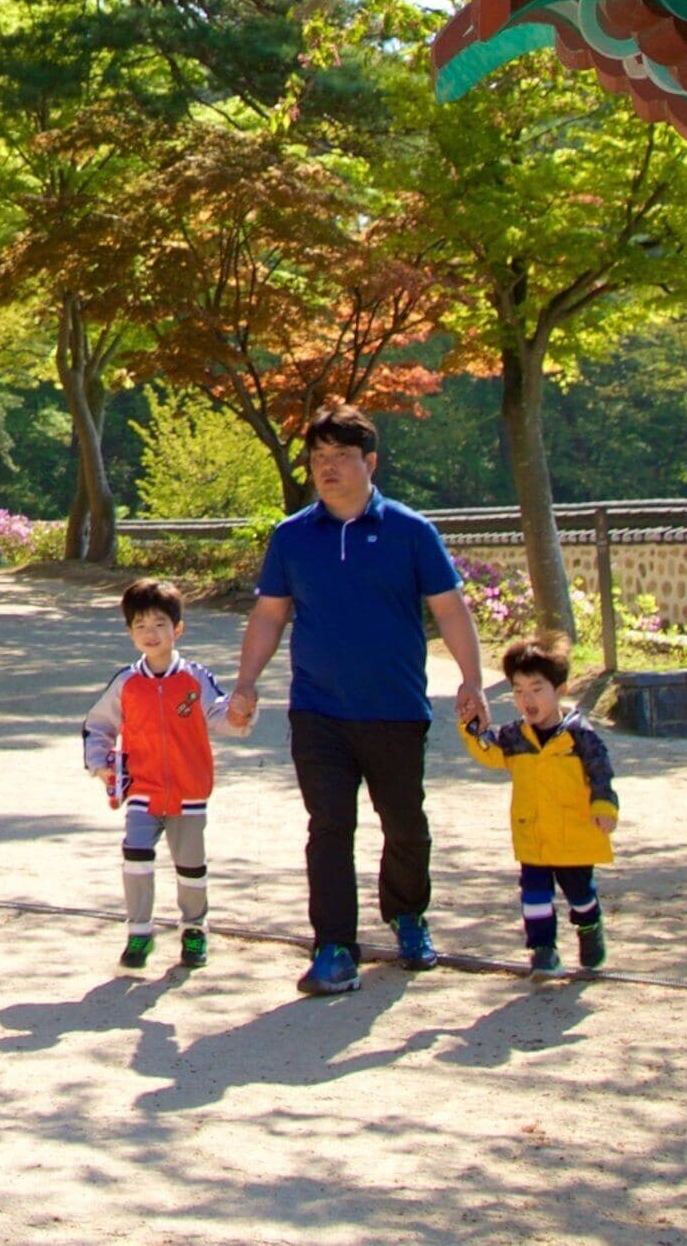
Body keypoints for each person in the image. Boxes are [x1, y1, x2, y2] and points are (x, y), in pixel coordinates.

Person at [223, 405, 487, 996]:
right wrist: (245, 681)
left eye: (341, 457)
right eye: (319, 458)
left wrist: (470, 680)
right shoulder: (292, 536)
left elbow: (449, 609)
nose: (328, 468)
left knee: (404, 824)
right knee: (329, 827)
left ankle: (407, 915)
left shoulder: (411, 531)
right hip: (319, 709)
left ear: (369, 462)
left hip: (394, 706)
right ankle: (334, 945)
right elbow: (270, 614)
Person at [79, 576, 235, 973]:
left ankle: (194, 929)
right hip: (143, 789)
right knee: (135, 857)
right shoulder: (127, 682)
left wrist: (241, 711)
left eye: (160, 624)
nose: (151, 633)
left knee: (190, 866)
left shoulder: (194, 677)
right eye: (140, 626)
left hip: (189, 790)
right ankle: (140, 931)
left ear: (177, 629)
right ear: (130, 633)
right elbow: (98, 724)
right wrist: (100, 764)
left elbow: (219, 714)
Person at [461, 635, 619, 978]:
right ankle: (542, 950)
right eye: (518, 691)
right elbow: (491, 752)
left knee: (580, 893)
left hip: (572, 836)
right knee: (534, 895)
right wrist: (472, 727)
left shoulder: (580, 735)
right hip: (532, 833)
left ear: (559, 690)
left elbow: (601, 773)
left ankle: (589, 925)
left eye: (536, 689)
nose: (527, 699)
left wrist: (604, 808)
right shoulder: (516, 736)